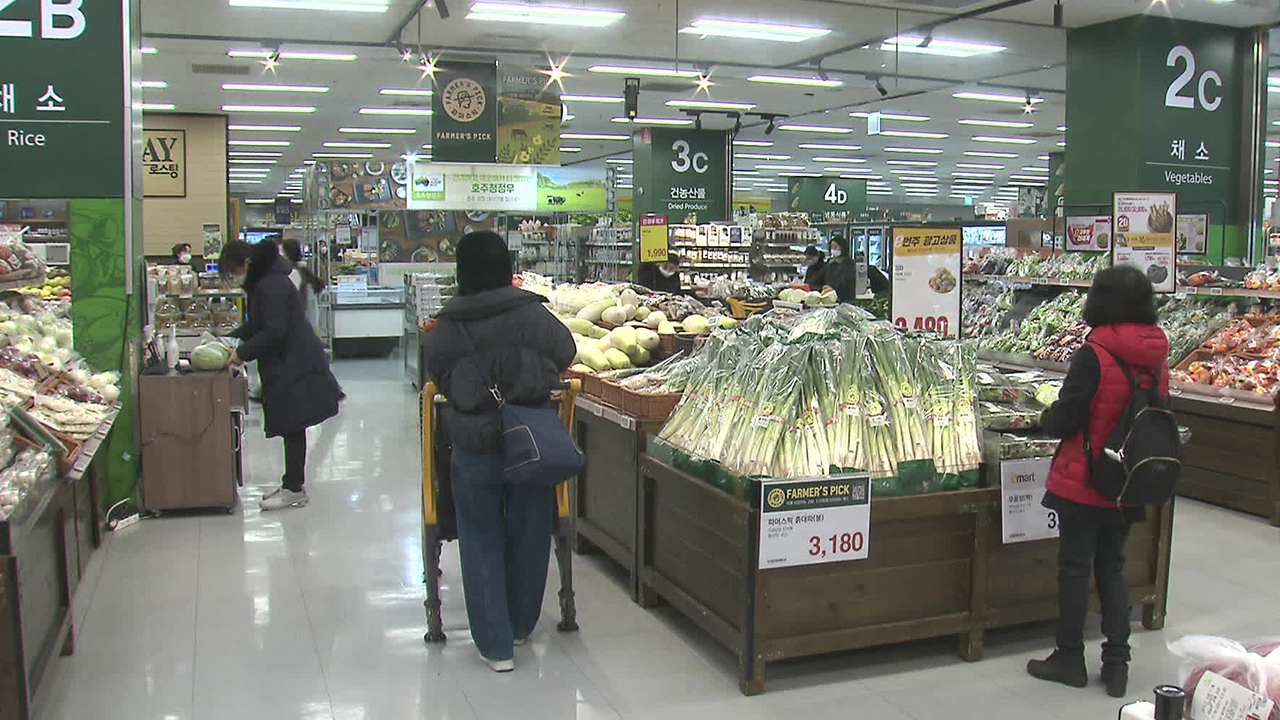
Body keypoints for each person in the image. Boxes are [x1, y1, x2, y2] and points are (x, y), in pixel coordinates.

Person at [423, 230, 575, 673]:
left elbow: (438, 369)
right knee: (530, 528)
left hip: (473, 441)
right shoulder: (531, 314)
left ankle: (494, 646)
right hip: (529, 437)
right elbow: (565, 351)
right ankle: (521, 625)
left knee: (479, 535)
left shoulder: (449, 325)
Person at [1027, 265, 1168, 699]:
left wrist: (1041, 416)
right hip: (1128, 477)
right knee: (1113, 567)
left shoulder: (1097, 351)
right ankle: (1117, 664)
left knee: (1074, 568)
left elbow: (1069, 415)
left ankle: (1069, 657)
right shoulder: (1157, 353)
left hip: (1085, 476)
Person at [220, 239, 345, 511]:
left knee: (293, 424)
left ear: (246, 264)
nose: (236, 278)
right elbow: (259, 323)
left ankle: (293, 489)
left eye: (234, 271)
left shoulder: (270, 284)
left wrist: (242, 354)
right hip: (289, 360)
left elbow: (275, 330)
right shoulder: (268, 280)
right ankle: (291, 484)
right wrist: (230, 338)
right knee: (292, 425)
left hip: (293, 362)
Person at [282, 239, 323, 330]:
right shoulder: (303, 271)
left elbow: (292, 300)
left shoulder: (294, 273)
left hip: (298, 324)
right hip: (307, 323)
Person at [822, 235, 856, 302]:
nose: (833, 249)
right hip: (829, 297)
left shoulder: (848, 263)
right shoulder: (830, 262)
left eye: (836, 246)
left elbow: (847, 281)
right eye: (832, 247)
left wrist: (833, 288)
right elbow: (821, 275)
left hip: (844, 298)